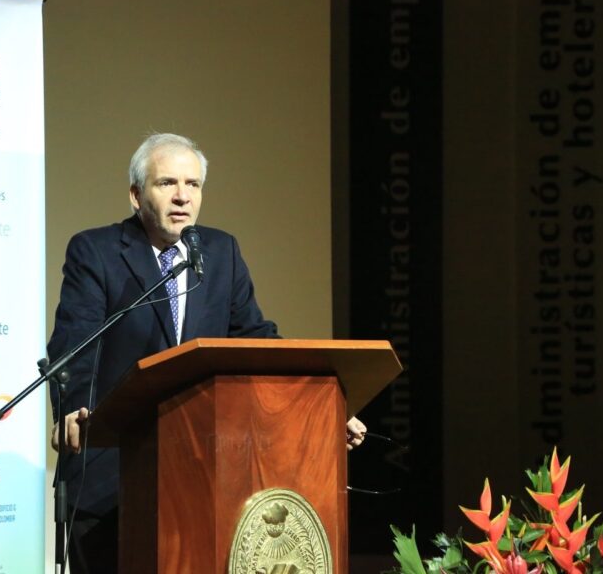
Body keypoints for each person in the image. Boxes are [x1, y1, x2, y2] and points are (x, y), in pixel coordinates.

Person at [47, 133, 367, 574]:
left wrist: (323, 407)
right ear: (136, 195)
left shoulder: (220, 252)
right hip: (112, 473)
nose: (183, 196)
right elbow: (74, 345)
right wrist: (75, 410)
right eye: (167, 183)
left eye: (193, 184)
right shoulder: (97, 251)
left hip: (202, 475)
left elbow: (255, 339)